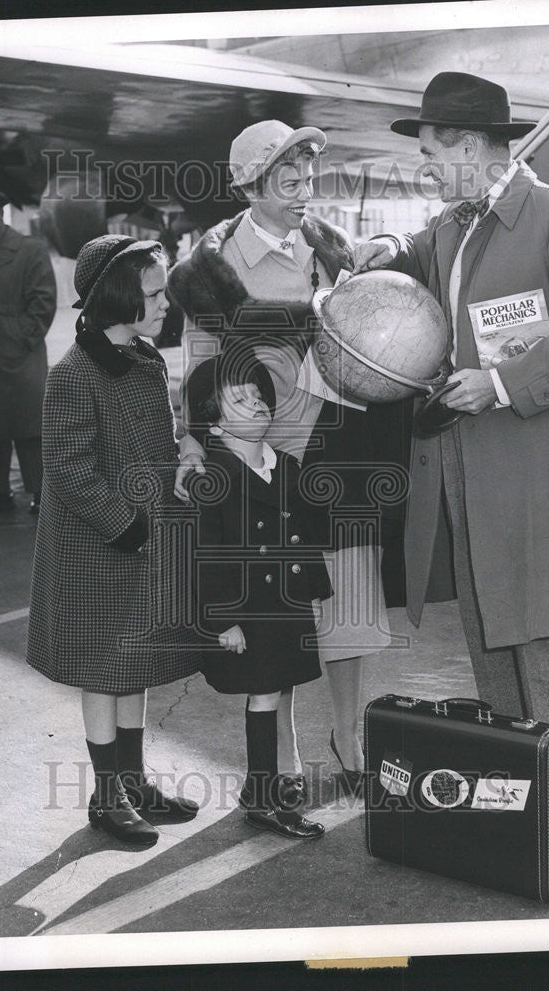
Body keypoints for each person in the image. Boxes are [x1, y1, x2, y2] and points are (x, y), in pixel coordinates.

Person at [353, 72, 549, 856]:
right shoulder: (451, 226)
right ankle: (524, 795)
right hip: (470, 480)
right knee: (491, 647)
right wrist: (387, 247)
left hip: (543, 476)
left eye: (434, 153)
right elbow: (425, 258)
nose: (428, 169)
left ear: (473, 147)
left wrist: (505, 383)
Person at [169, 121, 411, 798]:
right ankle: (284, 752)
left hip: (342, 444)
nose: (305, 191)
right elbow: (200, 362)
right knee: (281, 617)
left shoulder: (332, 247)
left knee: (351, 603)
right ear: (251, 185)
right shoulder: (213, 265)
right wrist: (194, 440)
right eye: (289, 181)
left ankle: (350, 736)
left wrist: (389, 247)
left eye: (309, 178)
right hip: (267, 456)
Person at [26, 235, 201, 847]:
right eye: (153, 294)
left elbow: (162, 434)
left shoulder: (147, 359)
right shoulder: (73, 375)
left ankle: (134, 781)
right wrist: (128, 525)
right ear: (121, 299)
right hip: (98, 544)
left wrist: (185, 453)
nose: (164, 305)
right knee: (102, 667)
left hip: (144, 535)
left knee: (136, 660)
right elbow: (69, 471)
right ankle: (107, 797)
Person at [183, 349, 331, 839]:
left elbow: (302, 537)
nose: (258, 405)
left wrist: (312, 591)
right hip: (247, 613)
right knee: (266, 693)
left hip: (284, 606)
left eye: (260, 396)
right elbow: (206, 553)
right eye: (240, 399)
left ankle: (258, 790)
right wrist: (221, 621)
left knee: (281, 684)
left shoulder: (283, 464)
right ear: (214, 421)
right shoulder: (214, 475)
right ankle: (264, 797)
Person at [0, 181, 57, 515]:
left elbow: (44, 300)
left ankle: (38, 491)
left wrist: (23, 338)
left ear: (0, 213)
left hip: (20, 353)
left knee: (28, 427)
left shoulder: (28, 249)